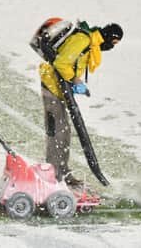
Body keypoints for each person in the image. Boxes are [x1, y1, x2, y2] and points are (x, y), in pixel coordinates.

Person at [38, 23, 123, 187]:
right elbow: (61, 63)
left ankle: (60, 172)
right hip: (52, 86)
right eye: (114, 43)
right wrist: (76, 80)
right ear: (111, 37)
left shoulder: (90, 43)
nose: (112, 47)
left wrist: (75, 84)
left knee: (63, 131)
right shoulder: (83, 40)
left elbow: (71, 63)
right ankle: (55, 176)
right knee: (58, 132)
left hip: (60, 87)